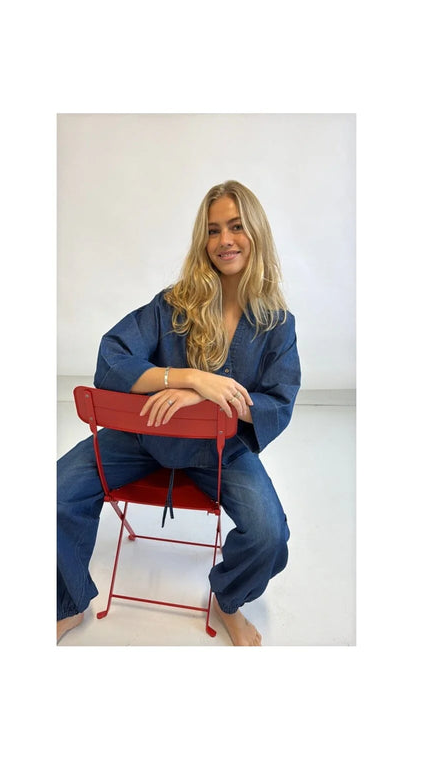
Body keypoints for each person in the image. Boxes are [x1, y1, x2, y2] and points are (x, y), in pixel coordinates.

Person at [57, 180, 301, 646]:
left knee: (269, 535)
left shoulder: (278, 324)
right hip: (144, 435)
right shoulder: (174, 303)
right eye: (213, 230)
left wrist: (206, 399)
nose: (224, 240)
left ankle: (228, 600)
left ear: (256, 232)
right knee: (56, 493)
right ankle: (66, 603)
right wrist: (187, 378)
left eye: (236, 226)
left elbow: (278, 400)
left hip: (220, 450)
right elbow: (112, 358)